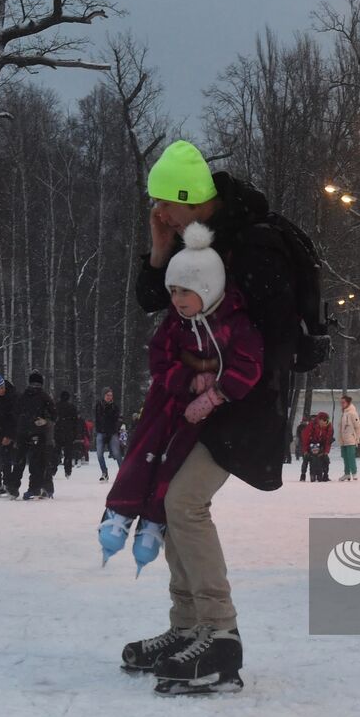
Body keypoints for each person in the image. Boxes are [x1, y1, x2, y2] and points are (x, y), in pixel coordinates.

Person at [122, 142, 302, 695]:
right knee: (169, 498)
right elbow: (159, 303)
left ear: (189, 201)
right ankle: (188, 626)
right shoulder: (189, 238)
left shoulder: (251, 244)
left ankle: (221, 636)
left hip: (242, 401)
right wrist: (158, 249)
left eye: (163, 206)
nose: (159, 215)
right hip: (197, 402)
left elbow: (271, 333)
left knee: (183, 502)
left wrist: (221, 382)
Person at [101, 222, 265, 582]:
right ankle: (120, 511)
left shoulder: (236, 324)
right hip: (167, 404)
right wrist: (186, 380)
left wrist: (215, 394)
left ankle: (153, 523)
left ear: (206, 289)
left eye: (184, 291)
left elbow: (250, 365)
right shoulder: (175, 323)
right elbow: (158, 358)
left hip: (203, 419)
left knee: (172, 465)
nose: (175, 299)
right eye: (172, 290)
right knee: (143, 454)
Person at [14, 371, 57, 499]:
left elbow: (16, 412)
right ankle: (38, 488)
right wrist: (46, 421)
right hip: (39, 433)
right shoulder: (44, 397)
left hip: (28, 432)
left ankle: (33, 488)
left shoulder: (24, 396)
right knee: (38, 462)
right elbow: (54, 414)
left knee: (30, 461)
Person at [94, 387, 122, 482]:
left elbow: (117, 419)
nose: (109, 397)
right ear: (104, 396)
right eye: (107, 395)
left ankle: (122, 473)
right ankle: (104, 473)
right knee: (99, 454)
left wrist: (115, 429)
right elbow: (97, 419)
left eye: (111, 395)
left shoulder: (114, 406)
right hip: (101, 432)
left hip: (112, 432)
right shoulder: (98, 405)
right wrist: (98, 429)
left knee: (117, 453)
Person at [55, 391, 83, 478]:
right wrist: (75, 434)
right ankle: (68, 471)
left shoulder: (56, 406)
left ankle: (53, 469)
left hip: (58, 432)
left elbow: (53, 419)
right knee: (68, 453)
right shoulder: (72, 407)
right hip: (69, 432)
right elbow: (75, 422)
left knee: (56, 452)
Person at [337, 394, 360, 481]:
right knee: (345, 457)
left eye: (343, 402)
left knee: (351, 456)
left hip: (351, 439)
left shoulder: (352, 413)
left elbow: (358, 426)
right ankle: (347, 473)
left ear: (348, 402)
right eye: (341, 403)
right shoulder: (344, 413)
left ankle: (354, 473)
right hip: (343, 440)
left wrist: (357, 438)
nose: (342, 404)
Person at [307, 411, 334, 482]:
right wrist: (306, 449)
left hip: (322, 445)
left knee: (325, 459)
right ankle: (313, 474)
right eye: (321, 421)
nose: (323, 423)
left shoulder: (329, 427)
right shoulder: (313, 425)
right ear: (319, 420)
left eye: (324, 422)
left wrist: (326, 451)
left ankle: (324, 475)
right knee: (313, 460)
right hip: (313, 445)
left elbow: (328, 440)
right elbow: (306, 437)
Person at [296, 410, 314, 482]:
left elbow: (298, 435)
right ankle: (307, 475)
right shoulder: (307, 427)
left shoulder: (302, 427)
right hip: (306, 445)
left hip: (306, 445)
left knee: (307, 461)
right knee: (307, 461)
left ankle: (304, 475)